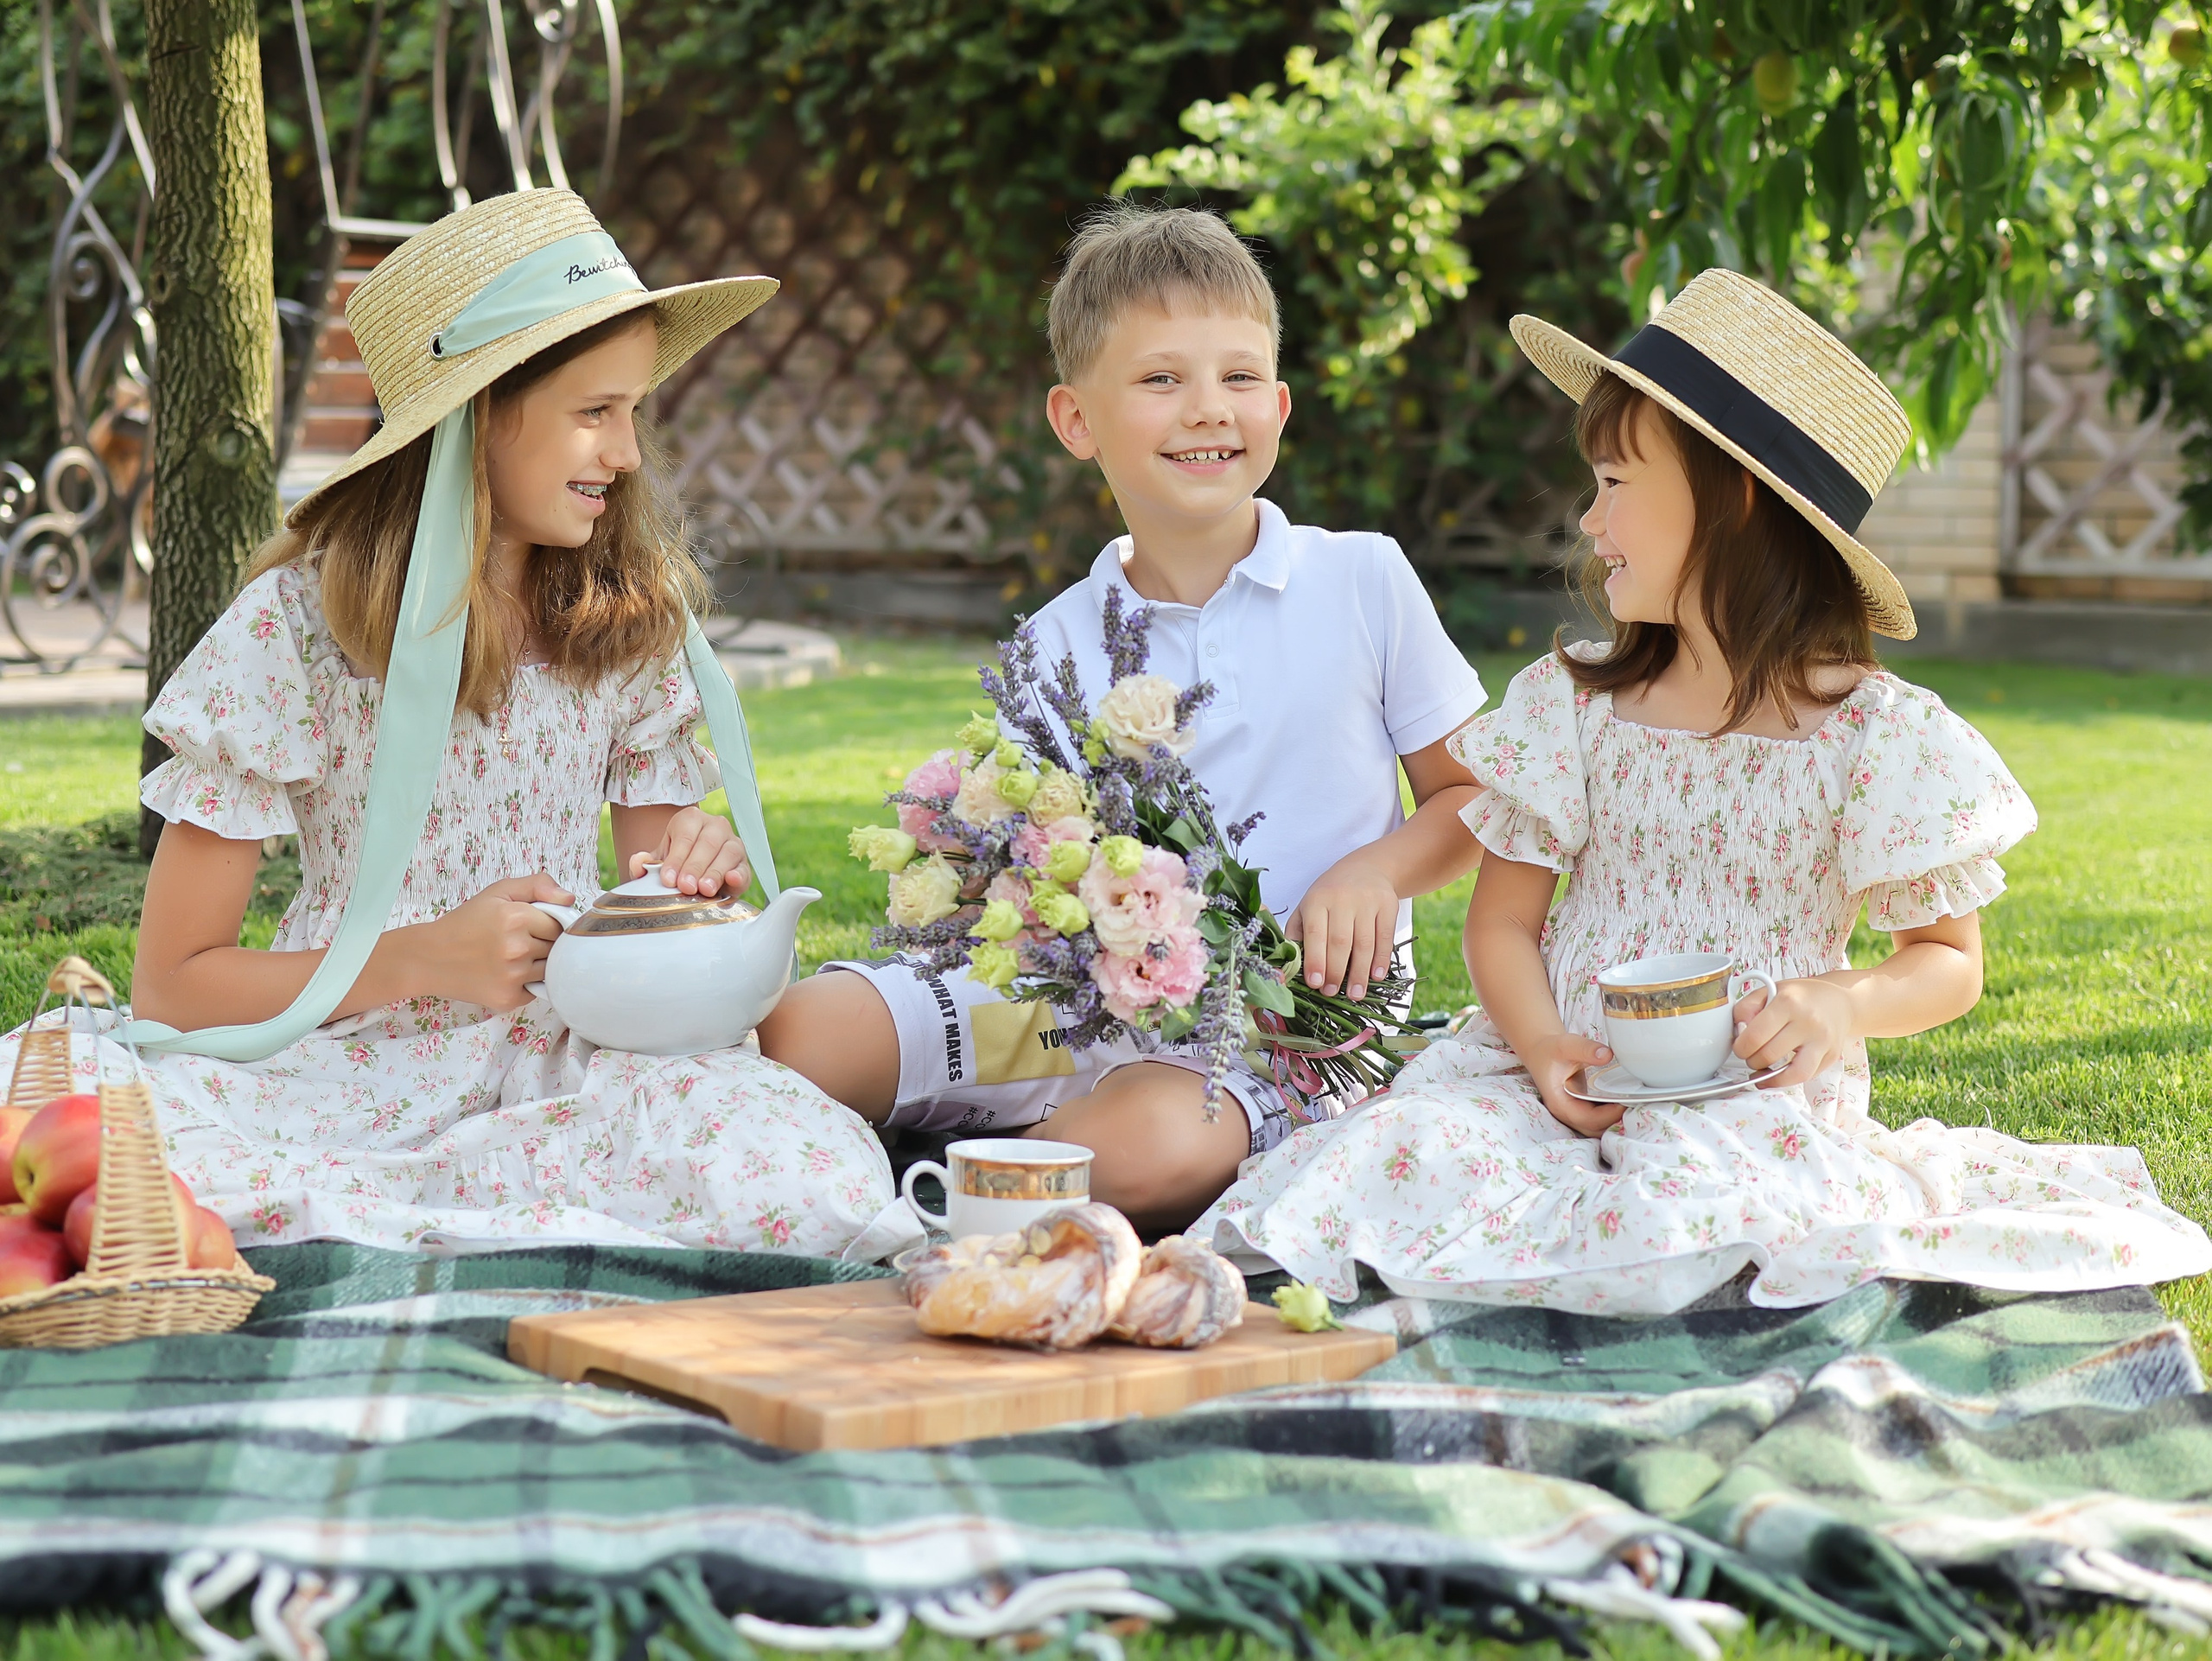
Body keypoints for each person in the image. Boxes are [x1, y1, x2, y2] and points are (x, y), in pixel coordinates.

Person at [1192, 268, 2212, 1310]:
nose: (1591, 520)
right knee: (1409, 1150)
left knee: (1701, 1199)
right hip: (1554, 1083)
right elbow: (1500, 926)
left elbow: (1946, 962)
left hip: (1746, 1098)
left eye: (1615, 482)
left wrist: (1835, 1001)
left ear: (1731, 495)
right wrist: (1545, 1049)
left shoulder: (1875, 737)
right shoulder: (1572, 706)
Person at [0, 191, 892, 1253]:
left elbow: (656, 930)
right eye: (596, 411)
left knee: (799, 1168)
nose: (630, 453)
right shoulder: (296, 631)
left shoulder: (623, 622)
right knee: (119, 1139)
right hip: (335, 1054)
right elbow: (176, 986)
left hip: (559, 1058)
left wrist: (694, 876)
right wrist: (426, 956)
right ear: (478, 412)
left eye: (635, 410)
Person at [759, 203, 1488, 1231]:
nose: (1207, 409)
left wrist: (1374, 870)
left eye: (1238, 377)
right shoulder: (1053, 647)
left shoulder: (1362, 578)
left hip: (1284, 1030)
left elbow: (1473, 795)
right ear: (1076, 421)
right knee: (799, 1034)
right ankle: (1000, 1151)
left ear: (1279, 403)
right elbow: (1031, 871)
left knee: (1141, 1149)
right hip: (1068, 1019)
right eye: (1160, 379)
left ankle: (943, 1198)